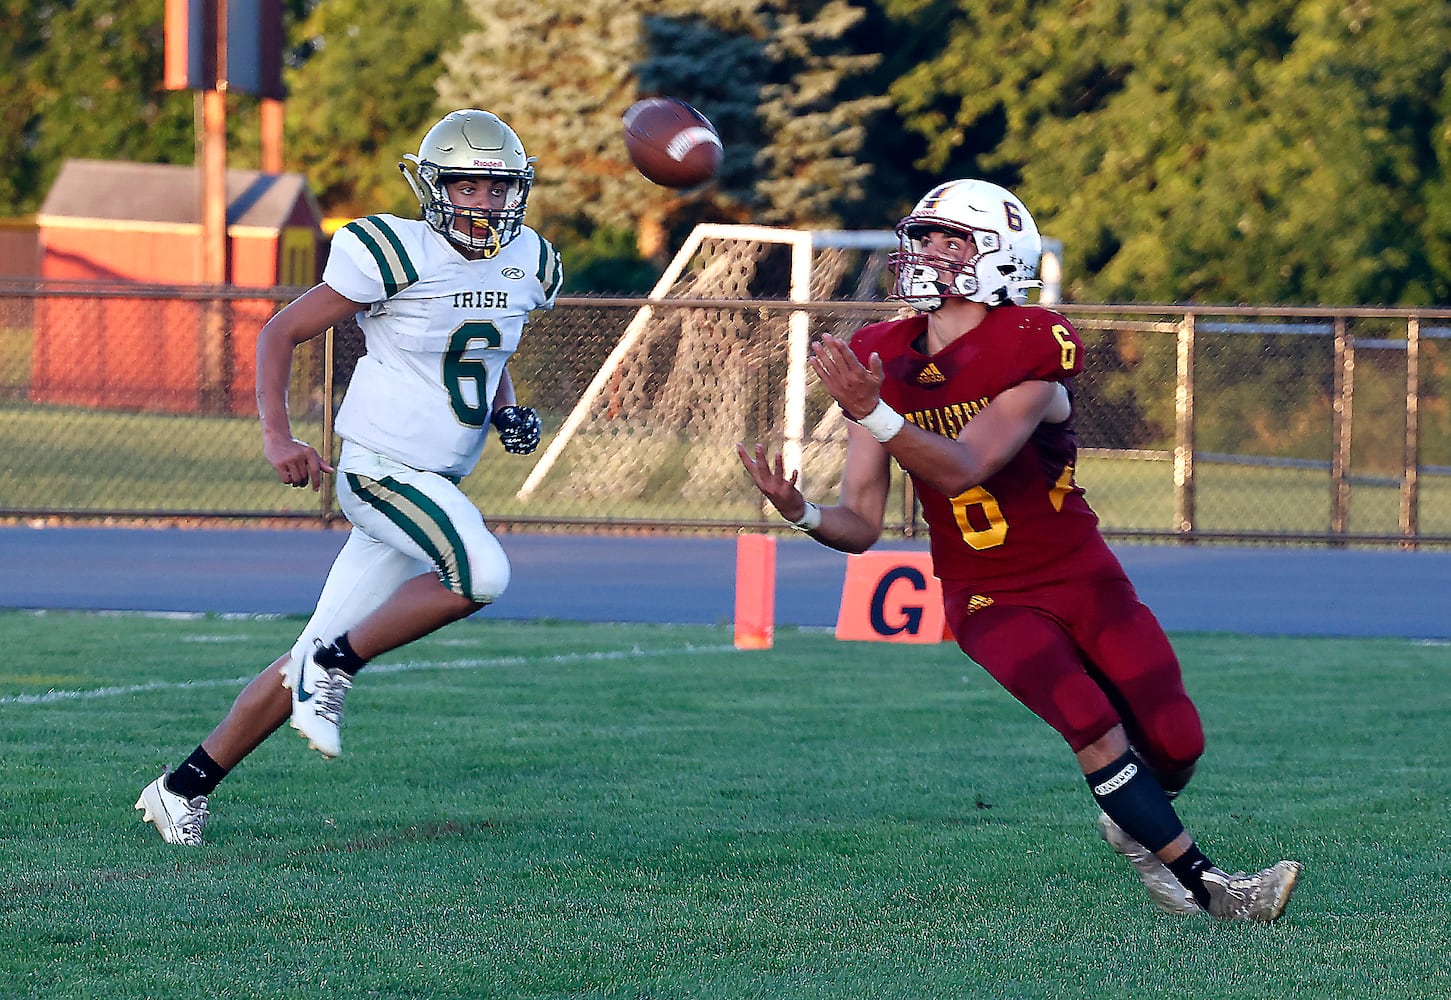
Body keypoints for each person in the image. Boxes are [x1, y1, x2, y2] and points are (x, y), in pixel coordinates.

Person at [737, 179, 1302, 922]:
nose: (927, 254)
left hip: (1080, 573)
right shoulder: (880, 355)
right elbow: (862, 524)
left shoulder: (1031, 341)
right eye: (924, 238)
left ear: (998, 257)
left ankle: (1136, 820)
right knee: (1087, 721)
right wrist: (802, 511)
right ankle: (1211, 888)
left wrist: (870, 410)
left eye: (951, 241)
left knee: (1174, 738)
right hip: (984, 593)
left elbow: (965, 465)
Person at [136, 109, 563, 846]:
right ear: (433, 185)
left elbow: (487, 352)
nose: (484, 204)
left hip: (433, 482)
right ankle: (337, 665)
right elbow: (280, 330)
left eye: (498, 189)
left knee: (306, 651)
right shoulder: (393, 249)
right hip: (380, 470)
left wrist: (507, 411)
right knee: (480, 574)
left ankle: (182, 787)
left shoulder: (532, 259)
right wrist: (279, 435)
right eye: (468, 186)